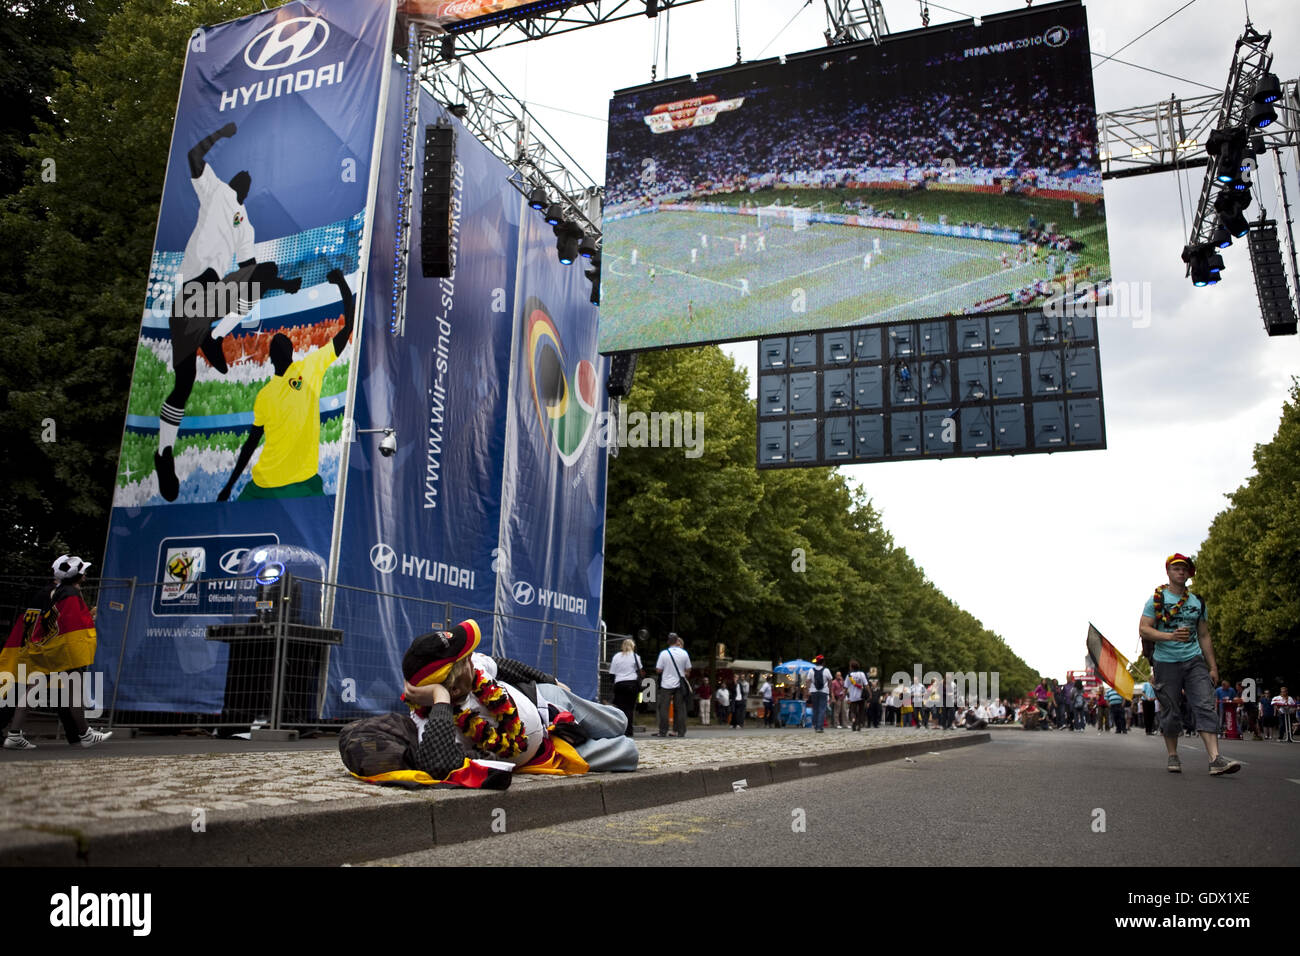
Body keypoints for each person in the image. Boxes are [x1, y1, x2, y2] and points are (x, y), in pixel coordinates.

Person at [155, 122, 303, 501]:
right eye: (242, 178)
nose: (245, 182)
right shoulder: (214, 189)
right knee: (184, 380)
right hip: (190, 297)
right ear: (234, 181)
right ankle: (164, 451)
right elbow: (192, 156)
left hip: (207, 298)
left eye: (247, 183)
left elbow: (254, 269)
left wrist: (282, 283)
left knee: (260, 273)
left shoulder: (244, 224)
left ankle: (215, 337)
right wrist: (219, 134)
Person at [362, 619, 636, 786]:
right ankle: (587, 741)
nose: (473, 659)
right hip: (549, 752)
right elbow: (439, 764)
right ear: (454, 685)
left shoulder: (475, 668)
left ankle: (585, 720)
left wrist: (550, 680)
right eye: (465, 660)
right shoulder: (431, 722)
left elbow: (504, 666)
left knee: (620, 721)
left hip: (546, 700)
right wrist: (441, 699)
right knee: (628, 751)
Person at [219, 269, 353, 501]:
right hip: (268, 485)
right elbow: (349, 325)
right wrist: (341, 282)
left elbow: (250, 444)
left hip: (286, 485)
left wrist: (230, 485)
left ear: (274, 357)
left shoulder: (300, 374)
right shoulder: (300, 373)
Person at [1139, 553, 1240, 775]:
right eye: (1176, 568)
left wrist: (1212, 666)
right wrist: (1170, 637)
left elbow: (1204, 635)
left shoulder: (1197, 601)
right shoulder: (1157, 600)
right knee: (1171, 710)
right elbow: (1144, 628)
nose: (1181, 572)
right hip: (1166, 661)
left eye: (1184, 568)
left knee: (1204, 703)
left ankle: (1215, 759)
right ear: (1168, 572)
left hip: (1194, 659)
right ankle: (1173, 755)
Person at [2, 556, 111, 750]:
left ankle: (14, 734)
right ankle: (84, 734)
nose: (85, 575)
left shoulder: (57, 591)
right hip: (61, 651)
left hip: (45, 647)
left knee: (32, 689)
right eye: (83, 571)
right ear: (77, 575)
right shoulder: (69, 594)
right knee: (73, 690)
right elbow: (71, 627)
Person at [655, 633, 691, 737]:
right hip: (679, 684)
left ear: (668, 642)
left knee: (664, 708)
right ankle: (681, 731)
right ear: (677, 641)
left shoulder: (664, 654)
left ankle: (663, 731)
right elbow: (688, 669)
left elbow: (658, 669)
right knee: (680, 708)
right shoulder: (684, 653)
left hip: (666, 684)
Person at [608, 638, 642, 739]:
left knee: (620, 708)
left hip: (619, 684)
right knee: (630, 708)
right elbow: (639, 669)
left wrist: (614, 683)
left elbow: (612, 673)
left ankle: (620, 729)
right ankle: (629, 730)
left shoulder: (616, 657)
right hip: (631, 684)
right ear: (633, 646)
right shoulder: (636, 656)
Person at [808, 656, 831, 732]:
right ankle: (819, 727)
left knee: (815, 709)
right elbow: (830, 680)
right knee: (822, 709)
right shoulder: (826, 670)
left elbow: (808, 681)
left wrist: (808, 690)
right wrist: (829, 689)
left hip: (814, 691)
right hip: (824, 691)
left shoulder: (811, 670)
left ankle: (815, 725)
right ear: (823, 662)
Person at [845, 661, 867, 731]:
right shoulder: (862, 674)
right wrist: (869, 693)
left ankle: (854, 720)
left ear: (851, 667)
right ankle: (859, 725)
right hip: (861, 696)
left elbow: (845, 687)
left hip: (852, 696)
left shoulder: (849, 675)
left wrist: (845, 695)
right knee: (861, 711)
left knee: (852, 711)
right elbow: (866, 684)